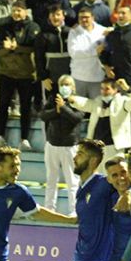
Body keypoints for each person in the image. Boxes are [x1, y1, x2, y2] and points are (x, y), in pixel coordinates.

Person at [0, 2, 39, 150]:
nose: (16, 14)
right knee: (3, 105)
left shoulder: (33, 27)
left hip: (25, 73)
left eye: (19, 11)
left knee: (25, 107)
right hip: (6, 72)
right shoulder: (5, 27)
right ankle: (0, 137)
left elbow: (34, 48)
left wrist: (16, 48)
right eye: (14, 11)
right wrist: (6, 49)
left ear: (25, 12)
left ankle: (24, 139)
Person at [72, 78, 131, 162]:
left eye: (107, 89)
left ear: (115, 90)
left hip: (114, 147)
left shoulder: (123, 102)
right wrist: (72, 99)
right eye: (102, 89)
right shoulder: (98, 101)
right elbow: (85, 103)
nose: (104, 91)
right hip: (97, 147)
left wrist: (127, 89)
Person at [40, 75, 83, 214]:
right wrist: (56, 110)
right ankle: (49, 209)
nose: (65, 87)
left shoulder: (78, 101)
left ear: (73, 87)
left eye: (68, 84)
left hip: (69, 146)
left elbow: (76, 118)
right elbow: (43, 115)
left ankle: (73, 210)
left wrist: (63, 108)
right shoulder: (53, 99)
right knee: (51, 180)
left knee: (72, 181)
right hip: (52, 144)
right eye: (62, 84)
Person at [68, 7, 109, 100]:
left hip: (98, 76)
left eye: (86, 17)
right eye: (81, 18)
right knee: (78, 108)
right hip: (79, 76)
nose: (83, 20)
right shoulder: (74, 31)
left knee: (97, 108)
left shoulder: (103, 31)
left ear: (93, 18)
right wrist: (95, 51)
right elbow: (74, 52)